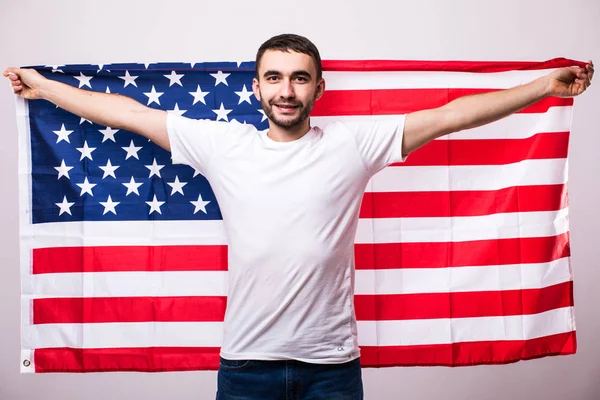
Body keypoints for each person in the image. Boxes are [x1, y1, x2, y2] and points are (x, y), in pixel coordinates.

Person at [3, 33, 594, 400]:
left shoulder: (354, 144)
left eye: (299, 77)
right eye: (274, 77)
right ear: (258, 87)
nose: (286, 89)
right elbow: (126, 114)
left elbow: (452, 116)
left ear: (318, 86)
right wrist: (42, 86)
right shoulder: (221, 144)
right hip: (245, 369)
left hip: (332, 370)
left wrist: (544, 85)